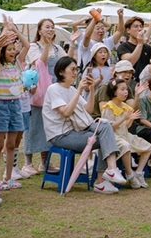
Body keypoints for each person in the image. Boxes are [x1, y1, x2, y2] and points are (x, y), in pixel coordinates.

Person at [42, 56, 127, 194]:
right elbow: (66, 113)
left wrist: (92, 89)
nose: (75, 73)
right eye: (72, 69)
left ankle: (110, 170)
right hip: (60, 135)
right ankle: (101, 181)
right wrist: (79, 90)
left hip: (75, 130)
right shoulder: (54, 89)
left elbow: (88, 110)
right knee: (103, 138)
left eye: (76, 69)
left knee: (105, 126)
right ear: (61, 72)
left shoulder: (71, 89)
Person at [22, 18, 68, 178]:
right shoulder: (34, 46)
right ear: (39, 30)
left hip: (54, 90)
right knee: (33, 124)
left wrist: (73, 44)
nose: (50, 29)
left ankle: (45, 161)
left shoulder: (57, 48)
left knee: (49, 125)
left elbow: (66, 62)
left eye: (52, 27)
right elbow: (40, 62)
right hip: (39, 89)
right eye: (47, 27)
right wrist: (47, 45)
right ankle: (27, 163)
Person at [0, 24, 29, 191]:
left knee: (12, 144)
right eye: (10, 50)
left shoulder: (18, 65)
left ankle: (8, 177)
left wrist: (16, 31)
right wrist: (0, 42)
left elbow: (27, 45)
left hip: (15, 106)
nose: (13, 52)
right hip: (1, 106)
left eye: (14, 49)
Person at [100, 79, 151, 189]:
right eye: (122, 89)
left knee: (148, 147)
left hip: (125, 135)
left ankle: (138, 173)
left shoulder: (124, 106)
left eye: (126, 89)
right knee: (125, 145)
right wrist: (124, 118)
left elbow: (127, 126)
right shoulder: (108, 107)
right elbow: (109, 128)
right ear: (114, 92)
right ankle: (130, 175)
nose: (126, 92)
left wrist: (137, 96)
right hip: (113, 137)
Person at [117, 16, 151, 81]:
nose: (139, 29)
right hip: (130, 82)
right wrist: (140, 44)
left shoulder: (146, 47)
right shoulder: (123, 46)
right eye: (136, 26)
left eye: (141, 26)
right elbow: (130, 62)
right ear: (128, 30)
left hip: (145, 83)